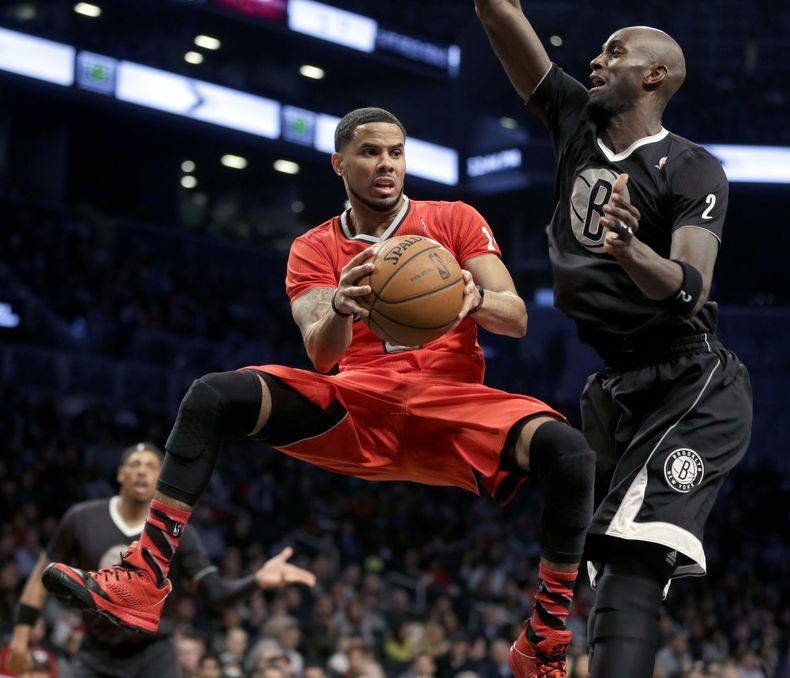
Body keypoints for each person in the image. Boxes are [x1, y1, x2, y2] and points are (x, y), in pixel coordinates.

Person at [42, 107, 595, 676]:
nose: (386, 164)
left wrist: (474, 298)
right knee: (213, 394)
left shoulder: (452, 219)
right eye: (370, 152)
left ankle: (545, 635)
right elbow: (322, 353)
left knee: (570, 452)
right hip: (357, 406)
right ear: (339, 163)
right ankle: (145, 576)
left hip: (449, 404)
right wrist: (339, 306)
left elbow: (517, 316)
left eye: (396, 152)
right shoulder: (313, 247)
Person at [474, 3, 753, 677]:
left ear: (655, 74)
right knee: (603, 559)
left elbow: (690, 288)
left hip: (692, 381)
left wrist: (629, 249)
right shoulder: (577, 121)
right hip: (615, 384)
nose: (595, 61)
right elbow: (500, 14)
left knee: (629, 555)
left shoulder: (691, 168)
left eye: (613, 51)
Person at [9, 442, 316, 678]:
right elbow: (39, 579)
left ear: (161, 477)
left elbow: (216, 594)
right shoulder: (81, 517)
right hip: (97, 649)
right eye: (134, 464)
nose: (142, 470)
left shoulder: (177, 533)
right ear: (120, 473)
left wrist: (257, 581)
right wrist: (21, 639)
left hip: (153, 655)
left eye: (151, 466)